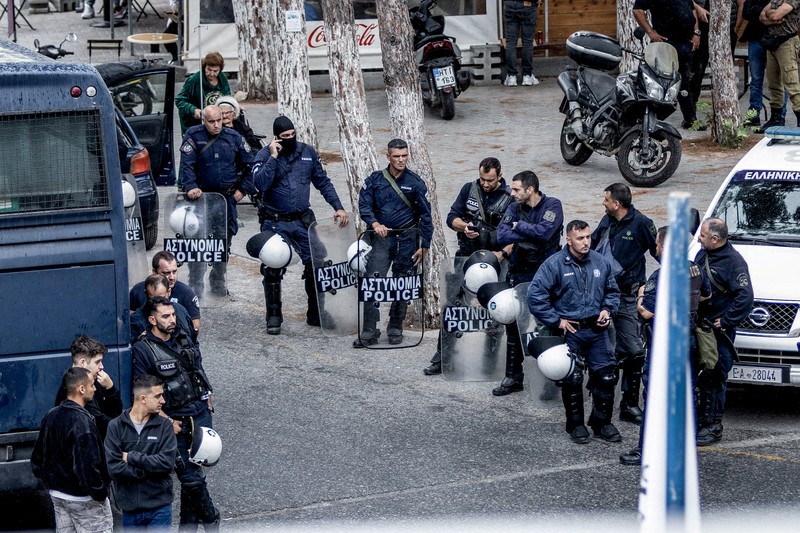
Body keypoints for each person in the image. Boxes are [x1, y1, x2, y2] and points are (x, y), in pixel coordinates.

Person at [619, 226, 711, 465]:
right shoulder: (695, 268)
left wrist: (640, 295)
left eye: (659, 244)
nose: (656, 248)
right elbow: (704, 296)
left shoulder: (661, 275)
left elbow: (646, 312)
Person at [251, 116, 350, 335]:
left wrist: (338, 207)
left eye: (292, 135)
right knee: (273, 266)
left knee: (317, 264)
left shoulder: (307, 152)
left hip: (302, 220)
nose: (290, 139)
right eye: (285, 137)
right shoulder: (265, 155)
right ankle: (274, 316)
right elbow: (259, 184)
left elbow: (322, 181)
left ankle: (316, 314)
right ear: (276, 137)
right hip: (275, 221)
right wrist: (274, 158)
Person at [528, 220, 621, 444]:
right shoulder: (554, 265)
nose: (586, 242)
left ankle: (601, 423)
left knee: (607, 377)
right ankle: (576, 425)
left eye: (588, 237)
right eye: (580, 238)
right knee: (573, 379)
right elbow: (535, 296)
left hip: (597, 330)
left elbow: (612, 290)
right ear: (568, 240)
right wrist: (557, 321)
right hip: (570, 332)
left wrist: (607, 310)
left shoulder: (600, 261)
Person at [132, 296, 219, 530]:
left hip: (200, 416)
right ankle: (213, 521)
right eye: (165, 316)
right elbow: (142, 395)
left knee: (195, 476)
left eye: (172, 315)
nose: (172, 320)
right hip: (175, 423)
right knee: (191, 479)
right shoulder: (143, 350)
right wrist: (167, 421)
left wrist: (207, 398)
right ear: (152, 320)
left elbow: (197, 368)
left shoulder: (182, 336)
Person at [423, 157, 512, 375]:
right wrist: (464, 227)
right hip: (466, 257)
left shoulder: (510, 198)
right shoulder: (469, 189)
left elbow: (518, 236)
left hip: (496, 262)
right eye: (482, 178)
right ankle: (443, 358)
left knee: (495, 312)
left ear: (499, 176)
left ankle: (490, 361)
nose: (486, 184)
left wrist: (502, 254)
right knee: (452, 309)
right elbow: (451, 218)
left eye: (490, 180)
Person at [354, 138, 433, 348]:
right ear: (388, 156)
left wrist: (425, 244)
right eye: (396, 156)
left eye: (404, 156)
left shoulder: (416, 183)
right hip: (380, 239)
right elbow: (364, 205)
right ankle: (370, 330)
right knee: (373, 282)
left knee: (402, 283)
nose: (401, 160)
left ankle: (395, 327)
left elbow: (426, 215)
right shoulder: (375, 180)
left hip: (407, 239)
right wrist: (374, 223)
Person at [491, 170, 563, 395]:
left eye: (516, 189)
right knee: (514, 326)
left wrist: (518, 227)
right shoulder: (513, 207)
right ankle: (513, 377)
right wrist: (522, 232)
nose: (511, 193)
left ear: (530, 190)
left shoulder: (552, 205)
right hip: (519, 273)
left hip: (546, 274)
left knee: (547, 325)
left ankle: (552, 377)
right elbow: (501, 236)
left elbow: (544, 233)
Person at [591, 183, 658, 425]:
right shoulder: (607, 220)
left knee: (633, 351)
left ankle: (629, 404)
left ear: (617, 204)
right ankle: (601, 406)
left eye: (606, 199)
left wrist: (654, 284)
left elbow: (659, 252)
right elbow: (594, 246)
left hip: (628, 297)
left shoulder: (642, 223)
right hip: (600, 295)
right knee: (602, 350)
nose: (603, 203)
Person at [180, 104, 256, 297]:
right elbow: (186, 165)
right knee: (198, 241)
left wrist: (243, 190)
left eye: (219, 120)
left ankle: (218, 279)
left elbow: (252, 164)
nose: (216, 125)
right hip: (201, 199)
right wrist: (190, 187)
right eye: (211, 121)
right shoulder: (194, 135)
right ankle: (195, 283)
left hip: (226, 199)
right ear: (203, 121)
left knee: (223, 241)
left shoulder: (234, 137)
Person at [693, 217, 754, 445]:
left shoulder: (733, 262)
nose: (699, 238)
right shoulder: (703, 254)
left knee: (716, 376)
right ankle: (700, 420)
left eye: (702, 235)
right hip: (701, 329)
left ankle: (713, 426)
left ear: (715, 239)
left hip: (718, 333)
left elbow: (745, 297)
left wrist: (727, 321)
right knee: (703, 376)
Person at [32, 367, 113, 533]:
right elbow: (87, 467)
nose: (95, 388)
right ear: (81, 388)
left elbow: (37, 458)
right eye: (92, 385)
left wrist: (51, 483)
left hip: (58, 495)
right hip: (84, 499)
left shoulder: (51, 415)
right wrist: (100, 494)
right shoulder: (82, 422)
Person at [105, 375, 178, 529]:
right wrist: (151, 469)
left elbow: (166, 463)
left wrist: (131, 457)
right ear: (143, 398)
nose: (163, 401)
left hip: (160, 508)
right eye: (158, 396)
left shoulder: (165, 426)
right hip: (130, 510)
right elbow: (114, 468)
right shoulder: (116, 426)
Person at [633, 0, 702, 129]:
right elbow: (638, 10)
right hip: (664, 41)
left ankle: (690, 119)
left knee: (685, 82)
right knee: (660, 82)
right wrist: (650, 32)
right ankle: (652, 119)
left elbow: (692, 10)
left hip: (686, 42)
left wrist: (696, 32)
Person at [54, 336, 122, 441]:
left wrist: (110, 388)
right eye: (97, 362)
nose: (101, 367)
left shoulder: (97, 381)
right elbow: (101, 423)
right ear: (82, 363)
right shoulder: (73, 388)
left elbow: (116, 412)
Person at [741, 0, 788, 128]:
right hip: (756, 38)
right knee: (756, 78)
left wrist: (761, 13)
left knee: (780, 80)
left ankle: (780, 115)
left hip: (776, 38)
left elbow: (781, 16)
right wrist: (763, 14)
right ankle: (753, 114)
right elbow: (746, 13)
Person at [130, 251, 201, 333]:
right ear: (154, 272)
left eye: (174, 272)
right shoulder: (137, 290)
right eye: (166, 273)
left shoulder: (186, 293)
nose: (172, 277)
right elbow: (129, 317)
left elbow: (195, 327)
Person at [758, 0, 800, 128]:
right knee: (773, 82)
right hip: (773, 42)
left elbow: (774, 16)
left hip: (787, 42)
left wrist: (771, 15)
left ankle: (799, 114)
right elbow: (761, 16)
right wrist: (772, 15)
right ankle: (776, 117)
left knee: (790, 81)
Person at [175, 52, 231, 136]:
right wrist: (193, 110)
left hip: (216, 122)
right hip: (195, 123)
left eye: (216, 71)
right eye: (209, 70)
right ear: (204, 67)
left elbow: (227, 96)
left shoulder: (222, 78)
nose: (212, 74)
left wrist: (233, 105)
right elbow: (179, 100)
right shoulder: (194, 80)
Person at [131, 274, 197, 343]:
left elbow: (193, 340)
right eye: (153, 299)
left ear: (169, 292)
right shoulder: (135, 322)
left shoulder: (180, 311)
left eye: (161, 298)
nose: (157, 303)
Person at [503, 0, 540, 86]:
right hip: (528, 4)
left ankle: (511, 76)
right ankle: (527, 76)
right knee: (527, 42)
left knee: (511, 42)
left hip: (510, 4)